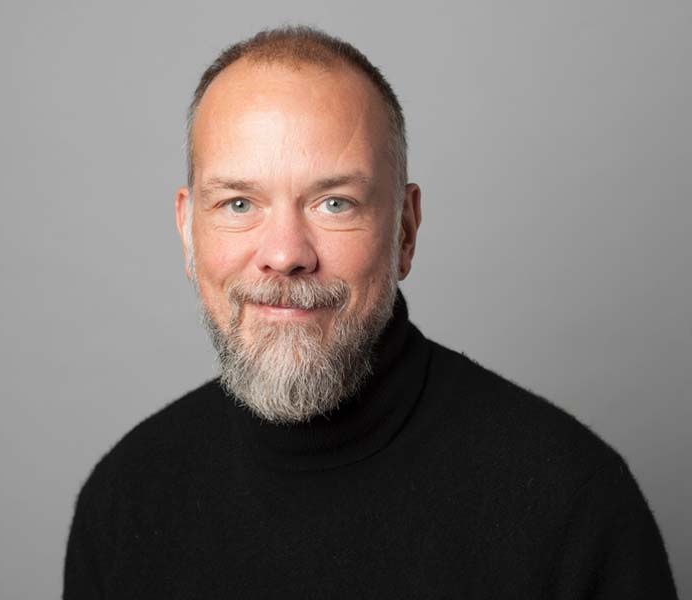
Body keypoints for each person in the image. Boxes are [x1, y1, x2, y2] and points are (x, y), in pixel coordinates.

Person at [64, 26, 677, 598]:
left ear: (405, 230)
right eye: (238, 204)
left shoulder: (570, 505)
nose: (285, 255)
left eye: (334, 203)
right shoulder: (125, 499)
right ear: (187, 232)